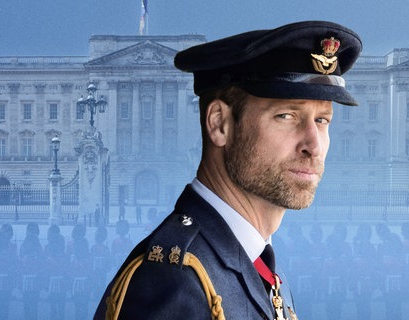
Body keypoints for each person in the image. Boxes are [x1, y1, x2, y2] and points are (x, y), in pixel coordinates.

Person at [94, 20, 362, 320]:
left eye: (322, 121)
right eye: (286, 115)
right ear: (219, 124)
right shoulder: (175, 281)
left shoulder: (254, 261)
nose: (314, 146)